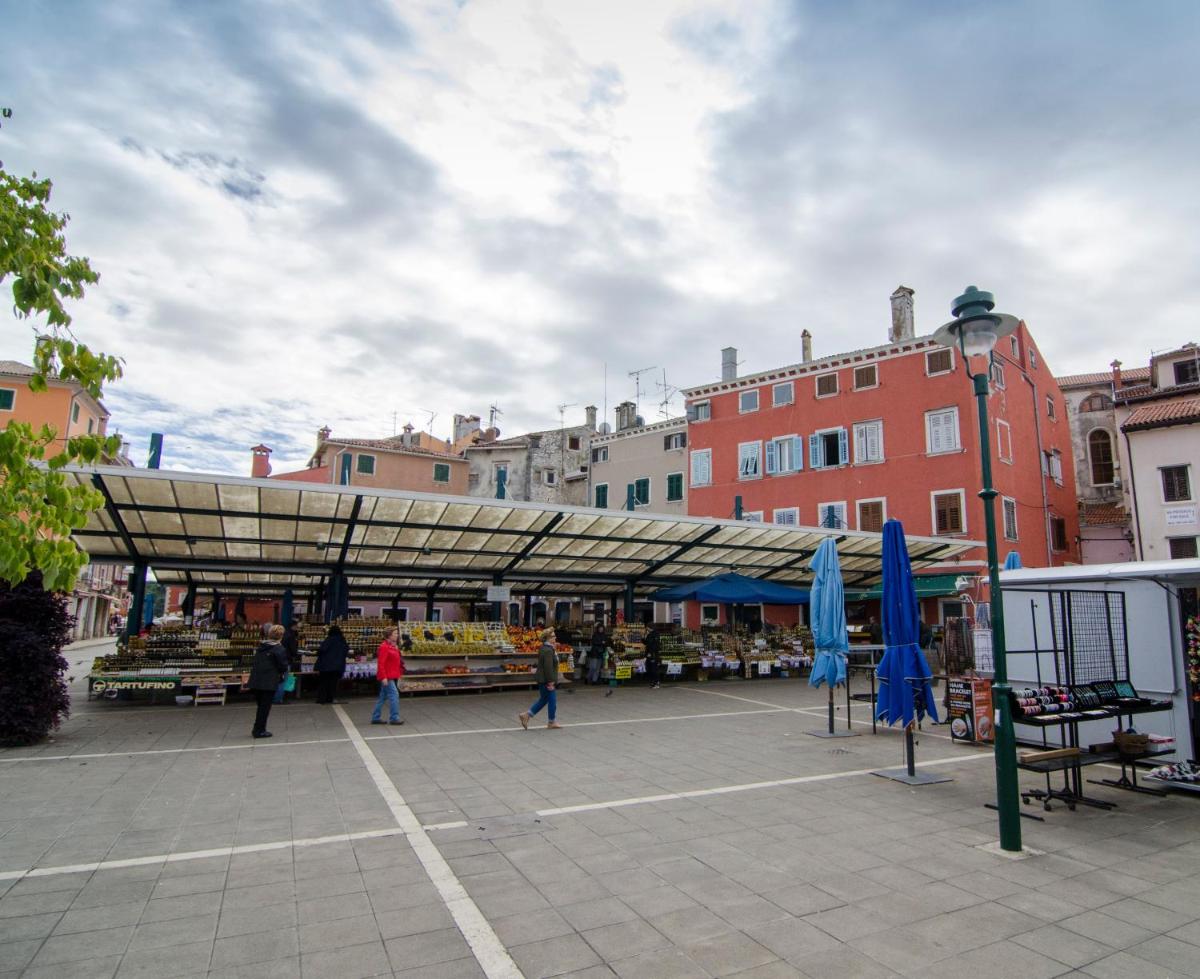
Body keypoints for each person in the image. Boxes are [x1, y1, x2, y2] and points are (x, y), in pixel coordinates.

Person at [249, 624, 289, 739]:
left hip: (256, 680)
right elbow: (283, 666)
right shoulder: (279, 649)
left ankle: (257, 727)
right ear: (281, 636)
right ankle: (259, 730)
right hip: (268, 681)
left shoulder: (261, 646)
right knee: (265, 707)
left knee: (260, 706)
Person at [519, 629, 562, 730]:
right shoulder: (547, 650)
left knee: (544, 700)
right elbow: (548, 667)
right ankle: (551, 722)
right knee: (552, 701)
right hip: (546, 680)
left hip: (543, 679)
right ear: (547, 638)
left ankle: (526, 715)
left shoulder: (547, 648)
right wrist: (551, 681)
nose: (555, 638)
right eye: (553, 636)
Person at [371, 626, 404, 725]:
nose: (397, 635)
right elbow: (381, 663)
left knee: (382, 697)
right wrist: (384, 677)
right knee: (394, 695)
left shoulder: (392, 646)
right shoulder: (384, 647)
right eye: (395, 634)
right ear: (389, 636)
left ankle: (375, 717)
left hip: (392, 675)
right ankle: (394, 717)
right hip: (387, 676)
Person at [315, 625, 349, 704]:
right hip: (337, 666)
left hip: (325, 665)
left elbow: (321, 650)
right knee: (333, 683)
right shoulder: (342, 640)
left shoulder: (328, 639)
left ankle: (321, 699)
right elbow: (346, 651)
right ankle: (330, 698)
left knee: (323, 682)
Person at [274, 623, 301, 704]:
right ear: (292, 626)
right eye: (296, 626)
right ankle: (279, 699)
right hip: (286, 661)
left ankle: (277, 698)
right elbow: (293, 650)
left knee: (279, 680)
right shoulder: (291, 636)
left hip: (278, 660)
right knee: (283, 680)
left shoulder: (280, 636)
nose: (297, 628)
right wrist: (295, 655)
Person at [644, 625, 662, 689]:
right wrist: (644, 637)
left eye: (647, 628)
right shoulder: (649, 634)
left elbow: (655, 645)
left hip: (653, 655)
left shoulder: (656, 634)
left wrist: (650, 653)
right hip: (649, 655)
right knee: (649, 669)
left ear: (649, 627)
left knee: (654, 669)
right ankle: (652, 682)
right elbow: (646, 643)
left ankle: (657, 683)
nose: (646, 629)